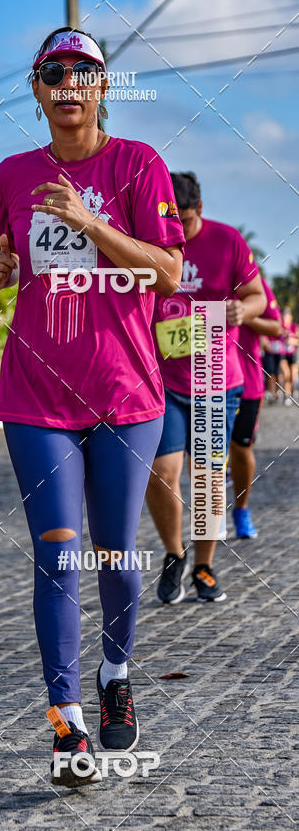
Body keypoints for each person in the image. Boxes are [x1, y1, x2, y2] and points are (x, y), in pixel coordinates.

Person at [0, 27, 184, 787]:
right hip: (36, 395)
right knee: (59, 554)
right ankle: (66, 726)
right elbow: (2, 262)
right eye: (53, 71)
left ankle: (116, 670)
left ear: (103, 88)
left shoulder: (138, 164)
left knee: (116, 557)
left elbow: (167, 271)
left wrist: (90, 222)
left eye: (84, 71)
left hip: (126, 395)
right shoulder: (11, 173)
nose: (69, 81)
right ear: (37, 90)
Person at [146, 172, 266, 605]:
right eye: (172, 220)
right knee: (161, 473)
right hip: (162, 377)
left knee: (210, 478)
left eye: (188, 220)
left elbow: (258, 297)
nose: (181, 229)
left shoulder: (228, 240)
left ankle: (204, 564)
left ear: (201, 209)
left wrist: (241, 309)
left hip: (216, 377)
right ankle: (174, 554)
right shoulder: (148, 240)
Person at [230, 277, 281, 538]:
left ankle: (241, 508)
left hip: (246, 382)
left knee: (241, 449)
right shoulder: (191, 274)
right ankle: (206, 520)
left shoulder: (252, 282)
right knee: (200, 455)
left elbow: (276, 328)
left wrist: (244, 314)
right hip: (198, 380)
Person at [279, 307, 298, 406]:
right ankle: (287, 396)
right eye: (284, 316)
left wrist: (291, 341)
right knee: (286, 375)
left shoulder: (294, 327)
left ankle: (291, 393)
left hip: (293, 355)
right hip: (282, 355)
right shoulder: (279, 327)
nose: (285, 318)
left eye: (287, 316)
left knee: (292, 377)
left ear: (291, 317)